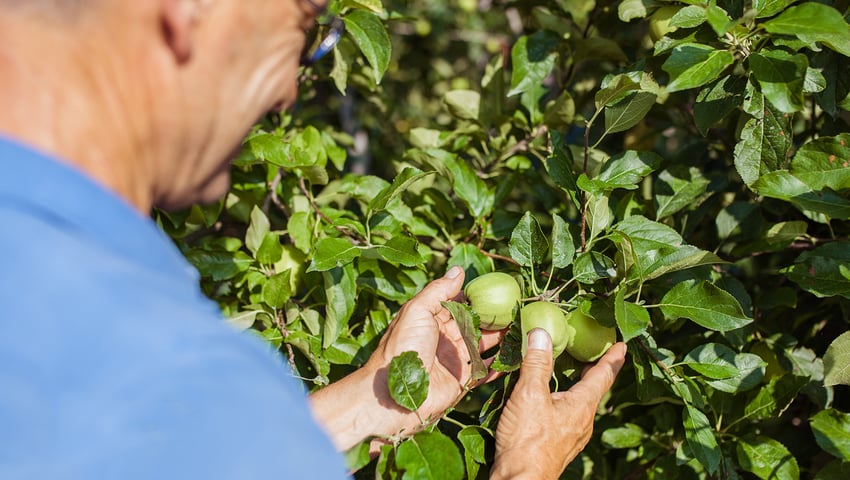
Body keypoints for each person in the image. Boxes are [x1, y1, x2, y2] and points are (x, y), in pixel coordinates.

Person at [0, 1, 627, 479]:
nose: (291, 90)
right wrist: (528, 466)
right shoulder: (159, 366)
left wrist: (369, 401)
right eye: (304, 29)